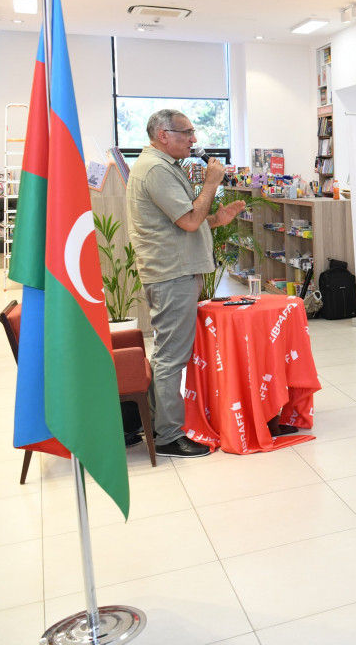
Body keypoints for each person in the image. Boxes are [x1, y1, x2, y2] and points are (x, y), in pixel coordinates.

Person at [125, 110, 245, 458]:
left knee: (168, 352)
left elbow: (182, 220)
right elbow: (189, 221)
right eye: (187, 133)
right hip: (171, 273)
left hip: (173, 269)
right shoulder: (157, 169)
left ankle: (151, 421)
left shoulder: (162, 165)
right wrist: (211, 183)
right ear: (163, 135)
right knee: (170, 357)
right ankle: (167, 435)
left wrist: (215, 219)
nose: (194, 140)